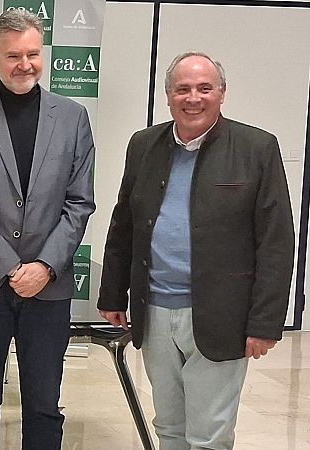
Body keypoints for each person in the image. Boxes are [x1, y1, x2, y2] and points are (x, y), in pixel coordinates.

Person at [98, 52, 294, 450]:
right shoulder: (143, 145)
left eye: (205, 88)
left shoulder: (257, 147)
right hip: (154, 313)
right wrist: (113, 293)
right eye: (182, 89)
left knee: (208, 435)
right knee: (169, 426)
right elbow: (125, 225)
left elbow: (276, 241)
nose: (193, 98)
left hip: (222, 316)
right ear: (168, 95)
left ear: (222, 93)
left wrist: (265, 323)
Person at [0, 9, 95, 450]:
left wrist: (44, 266)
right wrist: (12, 268)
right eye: (13, 56)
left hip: (49, 286)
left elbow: (79, 202)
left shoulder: (72, 117)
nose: (24, 64)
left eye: (32, 54)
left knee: (45, 405)